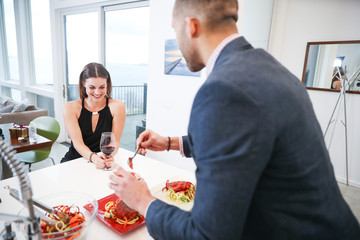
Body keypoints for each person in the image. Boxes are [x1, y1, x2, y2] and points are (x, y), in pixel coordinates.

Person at [108, 1, 360, 239]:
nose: (177, 40)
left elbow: (207, 234)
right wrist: (170, 142)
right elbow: (245, 140)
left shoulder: (224, 90)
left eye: (175, 30)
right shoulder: (268, 66)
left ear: (191, 25)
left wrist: (142, 200)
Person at [61, 62, 126, 169]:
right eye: (92, 87)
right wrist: (94, 158)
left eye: (102, 87)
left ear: (107, 84)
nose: (97, 92)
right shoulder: (70, 108)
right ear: (83, 83)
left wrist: (109, 156)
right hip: (76, 159)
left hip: (103, 159)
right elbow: (78, 144)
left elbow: (115, 142)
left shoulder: (117, 106)